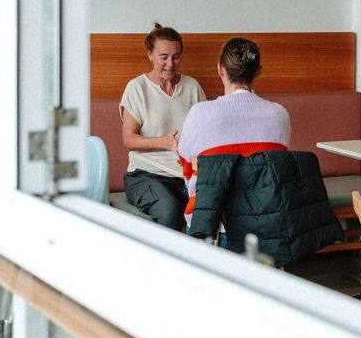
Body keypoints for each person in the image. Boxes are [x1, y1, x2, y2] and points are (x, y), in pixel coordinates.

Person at [178, 37, 291, 227]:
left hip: (214, 228)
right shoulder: (279, 114)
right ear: (258, 72)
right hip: (269, 226)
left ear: (220, 69)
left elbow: (188, 169)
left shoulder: (199, 113)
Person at [120, 23, 206, 231]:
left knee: (210, 207)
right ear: (150, 55)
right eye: (164, 56)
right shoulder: (137, 88)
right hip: (144, 175)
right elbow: (128, 140)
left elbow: (204, 134)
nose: (170, 63)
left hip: (184, 175)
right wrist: (165, 142)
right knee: (170, 211)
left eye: (176, 56)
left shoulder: (192, 87)